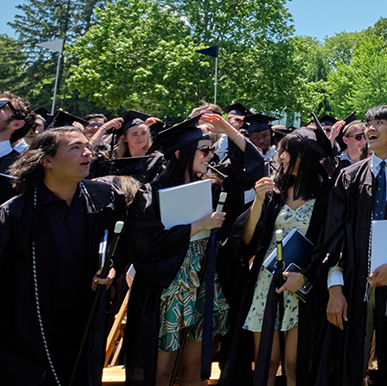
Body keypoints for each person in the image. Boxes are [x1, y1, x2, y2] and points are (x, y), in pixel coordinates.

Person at [123, 111, 246, 386]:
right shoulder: (151, 193)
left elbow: (250, 167)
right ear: (180, 154)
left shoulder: (213, 188)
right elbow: (145, 245)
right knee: (161, 372)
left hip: (202, 284)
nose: (210, 156)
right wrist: (198, 225)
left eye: (211, 149)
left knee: (194, 370)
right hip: (169, 291)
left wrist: (228, 130)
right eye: (203, 150)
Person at [0, 127, 129, 386]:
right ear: (47, 161)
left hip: (85, 321)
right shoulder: (16, 213)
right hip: (31, 330)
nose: (88, 153)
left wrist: (111, 269)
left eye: (87, 147)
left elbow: (120, 248)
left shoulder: (104, 200)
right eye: (75, 148)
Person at [314, 104, 387, 386]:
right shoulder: (350, 177)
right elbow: (334, 235)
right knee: (353, 360)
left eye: (379, 122)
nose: (370, 128)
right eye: (368, 122)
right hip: (356, 284)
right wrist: (334, 286)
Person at [230, 125, 336, 386]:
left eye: (286, 151)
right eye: (280, 151)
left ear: (304, 156)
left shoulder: (325, 197)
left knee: (295, 365)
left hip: (301, 284)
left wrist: (307, 275)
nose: (280, 157)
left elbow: (327, 245)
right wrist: (258, 200)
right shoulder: (274, 194)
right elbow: (246, 240)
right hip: (268, 282)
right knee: (266, 361)